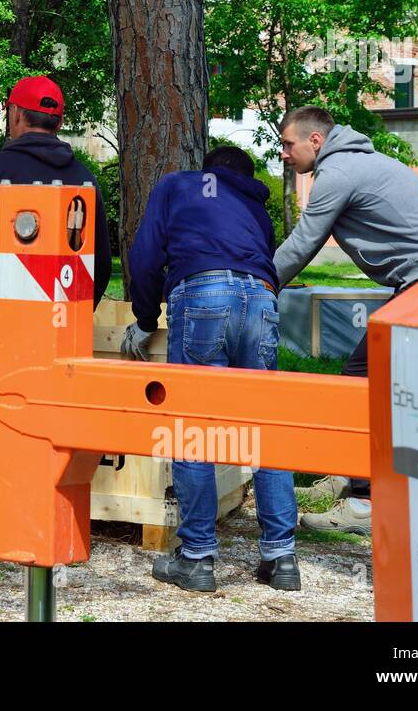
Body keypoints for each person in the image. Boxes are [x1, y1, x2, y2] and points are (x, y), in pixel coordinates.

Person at [0, 76, 111, 565]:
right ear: (59, 121)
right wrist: (75, 315)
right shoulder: (85, 176)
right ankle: (51, 529)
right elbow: (104, 260)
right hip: (64, 317)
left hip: (6, 314)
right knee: (59, 423)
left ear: (15, 116)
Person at [275, 106, 418, 535]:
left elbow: (304, 242)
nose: (284, 154)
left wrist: (259, 284)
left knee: (362, 379)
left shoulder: (338, 173)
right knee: (398, 385)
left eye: (288, 144)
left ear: (315, 141)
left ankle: (364, 500)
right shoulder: (361, 161)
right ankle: (351, 474)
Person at [125, 145, 300, 592]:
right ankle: (281, 558)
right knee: (265, 429)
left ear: (208, 170)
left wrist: (146, 320)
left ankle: (198, 557)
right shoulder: (254, 208)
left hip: (203, 294)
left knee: (194, 428)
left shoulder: (177, 186)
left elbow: (144, 257)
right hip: (261, 298)